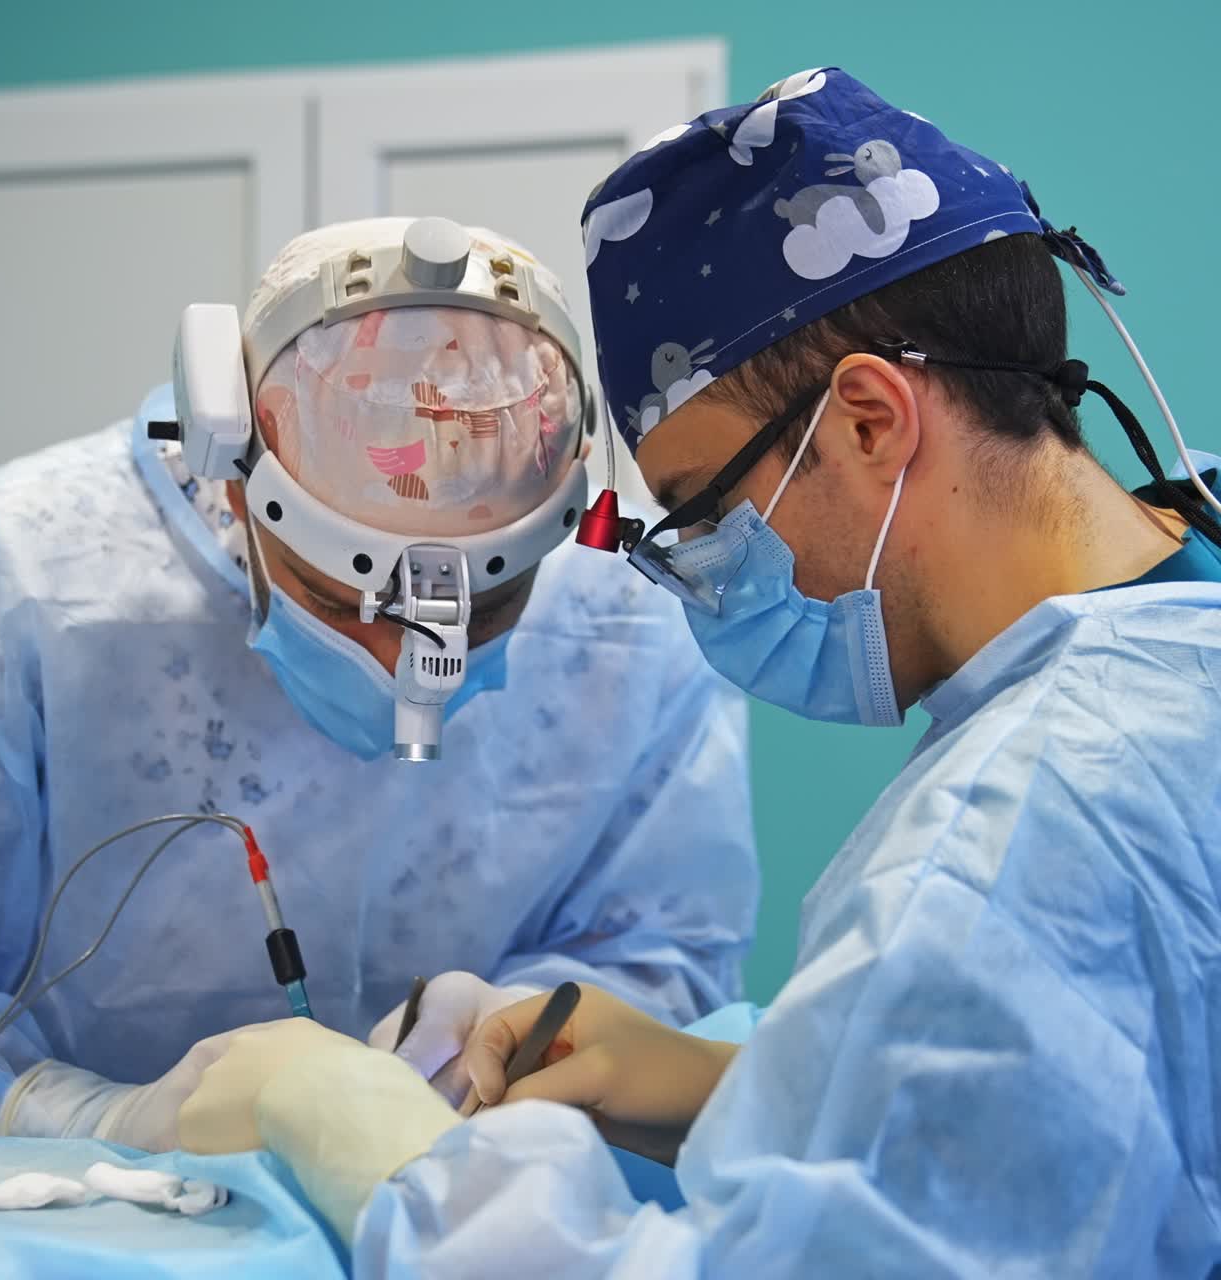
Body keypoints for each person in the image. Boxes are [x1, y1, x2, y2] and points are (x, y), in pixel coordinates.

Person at [178, 69, 1221, 1275]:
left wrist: (385, 1152)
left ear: (871, 420)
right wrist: (729, 1087)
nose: (698, 578)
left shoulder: (1014, 847)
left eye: (697, 507)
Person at [0, 217, 758, 1146]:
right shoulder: (17, 577)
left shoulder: (624, 617)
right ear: (239, 481)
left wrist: (527, 1039)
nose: (407, 671)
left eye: (480, 616)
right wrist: (94, 1117)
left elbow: (661, 950)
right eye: (339, 603)